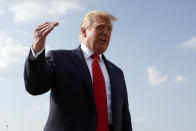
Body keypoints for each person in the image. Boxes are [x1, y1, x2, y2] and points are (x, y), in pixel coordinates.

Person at [24, 10, 133, 131]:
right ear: (84, 31)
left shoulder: (117, 73)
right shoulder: (59, 59)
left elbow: (124, 117)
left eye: (109, 29)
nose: (106, 32)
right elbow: (35, 87)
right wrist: (37, 50)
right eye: (100, 27)